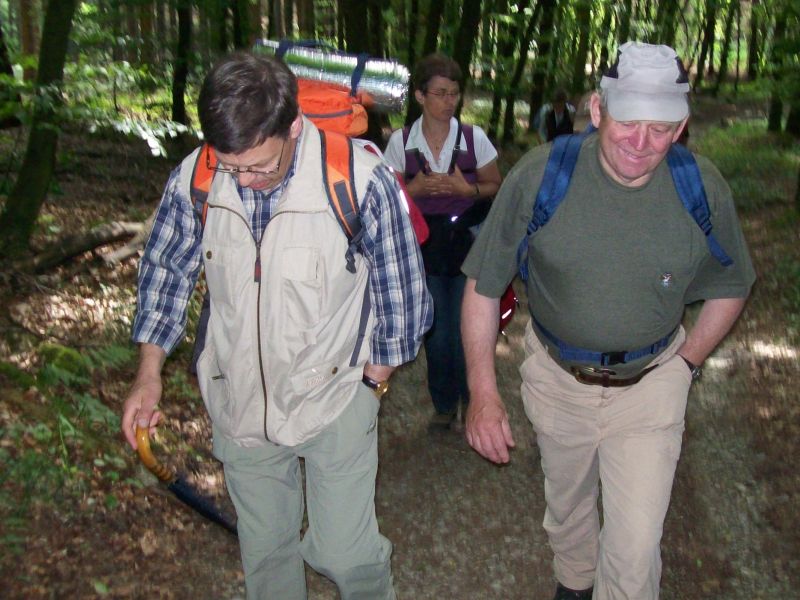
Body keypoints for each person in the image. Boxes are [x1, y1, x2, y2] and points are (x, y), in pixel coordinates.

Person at [121, 52, 432, 600]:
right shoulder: (197, 176)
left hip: (336, 396)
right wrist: (149, 373)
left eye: (258, 165)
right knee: (266, 559)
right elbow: (166, 272)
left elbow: (404, 297)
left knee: (345, 554)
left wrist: (371, 383)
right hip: (239, 402)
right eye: (231, 165)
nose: (245, 180)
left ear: (293, 126)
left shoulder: (358, 178)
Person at [460, 41, 755, 600]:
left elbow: (732, 286)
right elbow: (482, 284)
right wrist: (482, 391)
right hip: (557, 377)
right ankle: (573, 582)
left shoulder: (701, 188)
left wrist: (685, 365)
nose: (642, 145)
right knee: (567, 507)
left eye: (662, 129)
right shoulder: (541, 177)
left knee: (636, 545)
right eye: (628, 123)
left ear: (682, 126)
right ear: (598, 110)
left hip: (650, 386)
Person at [383, 53, 501, 431]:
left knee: (469, 326)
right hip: (425, 249)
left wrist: (467, 189)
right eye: (440, 93)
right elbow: (385, 198)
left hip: (467, 245)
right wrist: (413, 189)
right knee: (437, 331)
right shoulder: (401, 143)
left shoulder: (473, 138)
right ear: (420, 96)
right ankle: (445, 403)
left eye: (454, 93)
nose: (449, 101)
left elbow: (495, 185)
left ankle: (474, 400)